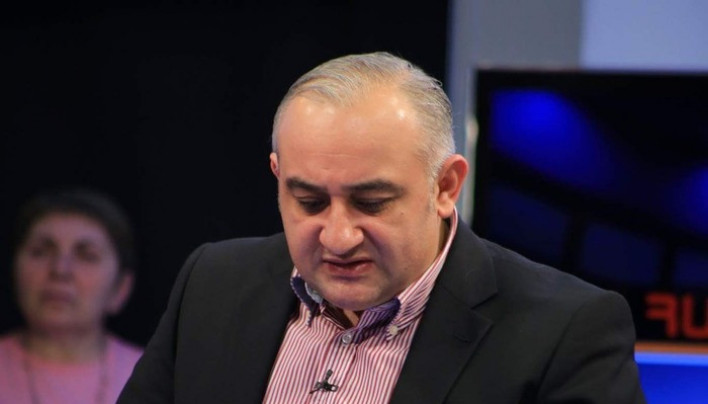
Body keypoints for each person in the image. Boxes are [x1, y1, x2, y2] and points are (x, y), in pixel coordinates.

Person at [118, 52, 645, 403]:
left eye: (371, 203)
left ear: (445, 186)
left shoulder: (565, 332)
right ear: (277, 176)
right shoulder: (213, 282)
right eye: (309, 201)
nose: (338, 237)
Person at [0, 189, 143, 404]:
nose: (60, 270)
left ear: (121, 288)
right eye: (40, 252)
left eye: (86, 256)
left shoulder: (154, 379)